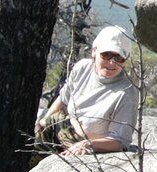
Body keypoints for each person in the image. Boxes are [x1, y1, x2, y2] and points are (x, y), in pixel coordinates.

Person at [35, 25, 140, 157]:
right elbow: (63, 99)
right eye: (107, 55)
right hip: (63, 128)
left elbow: (120, 142)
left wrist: (89, 144)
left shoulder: (126, 93)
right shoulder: (83, 68)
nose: (112, 63)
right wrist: (41, 124)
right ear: (94, 51)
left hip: (91, 145)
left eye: (119, 58)